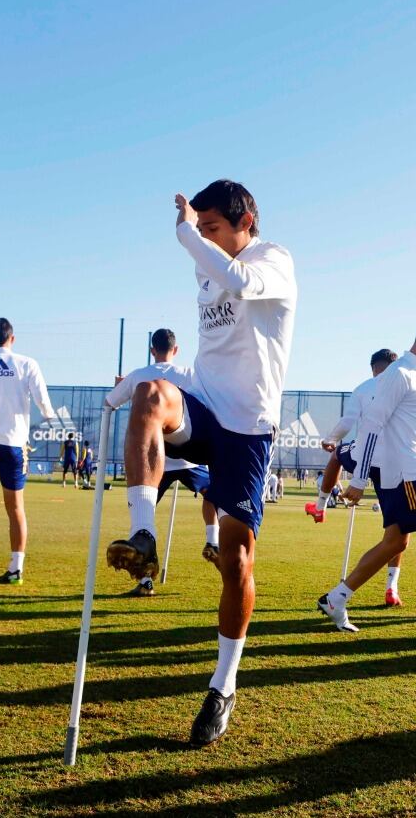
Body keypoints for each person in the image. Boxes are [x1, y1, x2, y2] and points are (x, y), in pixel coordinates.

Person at [103, 181, 296, 747]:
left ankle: (224, 683)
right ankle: (142, 535)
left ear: (247, 221)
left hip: (249, 428)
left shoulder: (273, 261)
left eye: (215, 228)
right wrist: (131, 387)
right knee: (151, 397)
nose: (206, 239)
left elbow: (236, 279)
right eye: (202, 228)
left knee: (236, 561)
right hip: (205, 404)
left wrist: (188, 232)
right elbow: (209, 336)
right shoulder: (206, 265)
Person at [317, 314, 416, 641]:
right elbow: (373, 425)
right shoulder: (398, 374)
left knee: (395, 542)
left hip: (410, 472)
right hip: (407, 476)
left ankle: (336, 599)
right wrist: (359, 481)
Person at [105, 328, 220, 598]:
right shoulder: (190, 375)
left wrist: (121, 388)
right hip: (189, 455)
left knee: (143, 519)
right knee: (213, 495)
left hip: (154, 462)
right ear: (176, 350)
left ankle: (146, 581)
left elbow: (110, 403)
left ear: (151, 350)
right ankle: (212, 538)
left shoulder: (138, 376)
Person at [0, 317, 58, 584]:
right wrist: (50, 416)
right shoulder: (28, 363)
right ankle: (16, 567)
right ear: (12, 338)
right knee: (15, 507)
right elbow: (42, 400)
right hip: (12, 443)